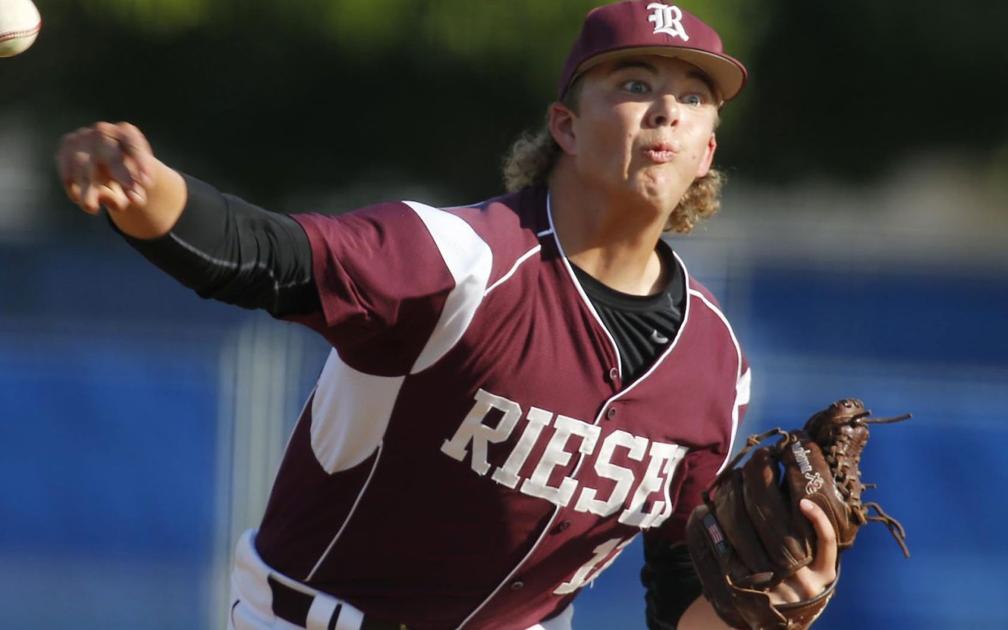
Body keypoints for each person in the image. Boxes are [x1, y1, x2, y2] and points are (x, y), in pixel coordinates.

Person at [55, 2, 840, 628]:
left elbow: (676, 599)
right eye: (635, 84)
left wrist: (771, 610)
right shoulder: (460, 259)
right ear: (564, 127)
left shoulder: (714, 364)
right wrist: (147, 191)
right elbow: (272, 258)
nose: (667, 110)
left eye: (693, 97)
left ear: (706, 151)